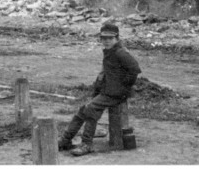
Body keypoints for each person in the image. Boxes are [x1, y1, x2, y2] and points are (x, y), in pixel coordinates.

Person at [58, 22, 141, 156]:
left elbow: (135, 70)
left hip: (117, 94)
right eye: (104, 38)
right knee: (83, 110)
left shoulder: (120, 52)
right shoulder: (110, 52)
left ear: (117, 39)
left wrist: (124, 87)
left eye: (110, 38)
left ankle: (86, 144)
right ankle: (65, 140)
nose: (107, 41)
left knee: (90, 109)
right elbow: (105, 73)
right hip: (108, 92)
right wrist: (98, 88)